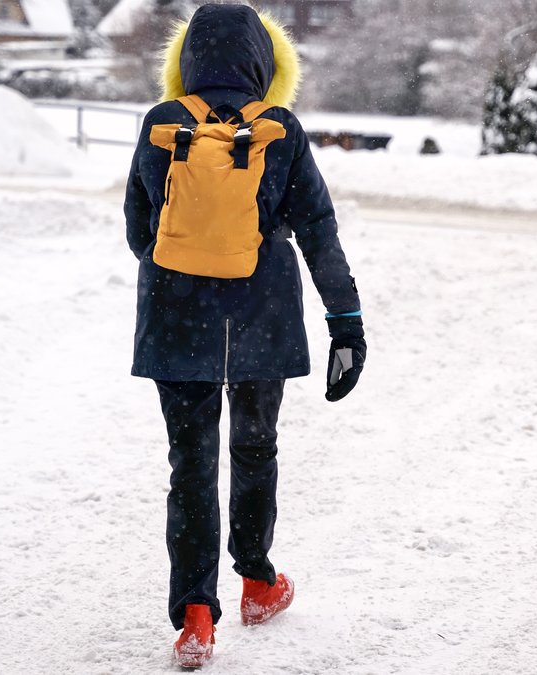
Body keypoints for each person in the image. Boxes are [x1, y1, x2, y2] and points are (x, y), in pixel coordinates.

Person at [123, 3, 366, 667]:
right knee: (255, 448)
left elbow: (139, 231)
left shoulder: (162, 124)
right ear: (265, 61)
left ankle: (196, 614)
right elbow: (318, 229)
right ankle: (258, 580)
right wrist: (345, 321)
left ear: (188, 60)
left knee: (191, 463)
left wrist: (188, 263)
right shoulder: (278, 130)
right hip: (263, 316)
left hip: (177, 320)